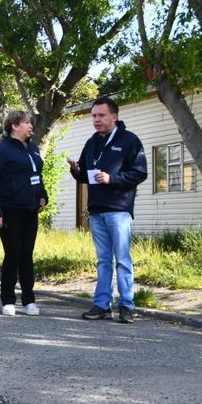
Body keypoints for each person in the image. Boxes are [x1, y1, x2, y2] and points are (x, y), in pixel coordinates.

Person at [68, 96, 147, 324]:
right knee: (103, 260)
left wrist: (112, 178)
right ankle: (102, 305)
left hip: (118, 209)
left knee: (122, 258)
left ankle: (126, 306)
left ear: (114, 116)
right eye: (94, 116)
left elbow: (140, 173)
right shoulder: (92, 142)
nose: (96, 120)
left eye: (101, 115)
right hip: (96, 209)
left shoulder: (129, 141)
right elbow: (85, 175)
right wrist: (76, 170)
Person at [0, 110, 47, 316]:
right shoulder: (1, 151)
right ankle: (8, 300)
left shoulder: (34, 149)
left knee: (27, 255)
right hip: (9, 210)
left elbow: (37, 176)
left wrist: (43, 196)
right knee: (13, 255)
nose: (31, 126)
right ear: (14, 125)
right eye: (27, 123)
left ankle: (29, 300)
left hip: (30, 210)